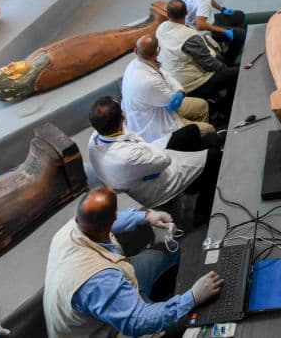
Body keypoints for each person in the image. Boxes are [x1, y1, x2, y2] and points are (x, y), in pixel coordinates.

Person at [43, 186, 223, 338]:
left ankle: (158, 297)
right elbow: (138, 321)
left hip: (114, 280)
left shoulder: (76, 226)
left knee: (166, 252)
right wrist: (192, 297)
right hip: (108, 328)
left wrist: (146, 217)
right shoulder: (99, 283)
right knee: (189, 321)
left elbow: (106, 220)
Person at [87, 97, 220, 221]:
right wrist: (144, 147)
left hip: (142, 161)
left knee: (191, 131)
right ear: (122, 117)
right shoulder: (127, 156)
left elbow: (134, 141)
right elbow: (165, 160)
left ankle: (195, 183)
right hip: (155, 185)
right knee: (215, 156)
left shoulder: (95, 139)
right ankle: (203, 209)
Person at [121, 35, 216, 143]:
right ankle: (196, 142)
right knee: (208, 129)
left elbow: (167, 76)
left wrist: (180, 91)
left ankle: (195, 141)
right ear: (158, 51)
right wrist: (179, 92)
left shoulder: (134, 65)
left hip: (160, 108)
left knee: (202, 106)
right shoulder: (147, 80)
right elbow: (171, 101)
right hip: (157, 127)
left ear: (135, 51)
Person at [157, 0, 239, 117]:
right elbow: (209, 64)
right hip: (193, 84)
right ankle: (225, 110)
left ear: (167, 14)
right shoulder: (189, 36)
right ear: (186, 13)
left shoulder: (160, 29)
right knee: (236, 73)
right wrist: (224, 67)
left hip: (173, 82)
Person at [182, 0, 245, 64]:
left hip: (206, 21)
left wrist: (222, 9)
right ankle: (228, 61)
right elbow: (200, 25)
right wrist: (223, 31)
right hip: (204, 31)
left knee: (239, 15)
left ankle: (230, 46)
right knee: (240, 34)